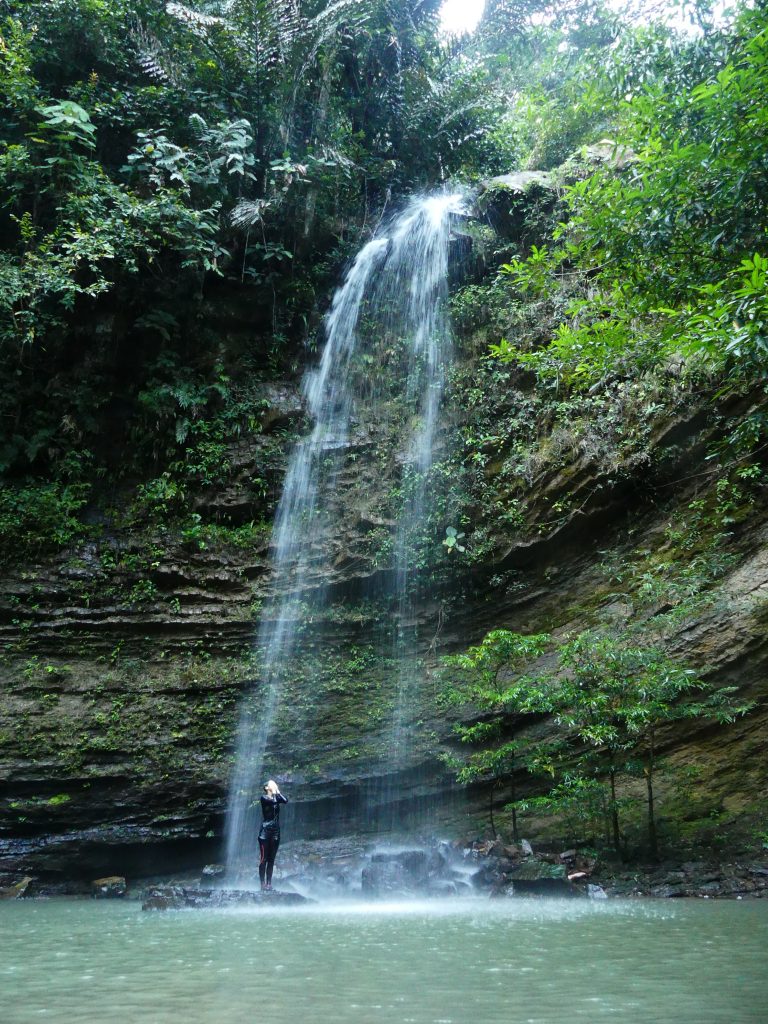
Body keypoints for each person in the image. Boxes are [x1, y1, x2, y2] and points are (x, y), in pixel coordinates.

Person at [258, 779, 287, 891]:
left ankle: (269, 884)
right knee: (263, 859)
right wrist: (275, 793)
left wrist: (278, 792)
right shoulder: (264, 798)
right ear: (266, 788)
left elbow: (285, 800)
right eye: (271, 783)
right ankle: (262, 884)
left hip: (275, 831)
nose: (273, 784)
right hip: (265, 831)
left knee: (271, 859)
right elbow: (274, 801)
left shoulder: (276, 796)